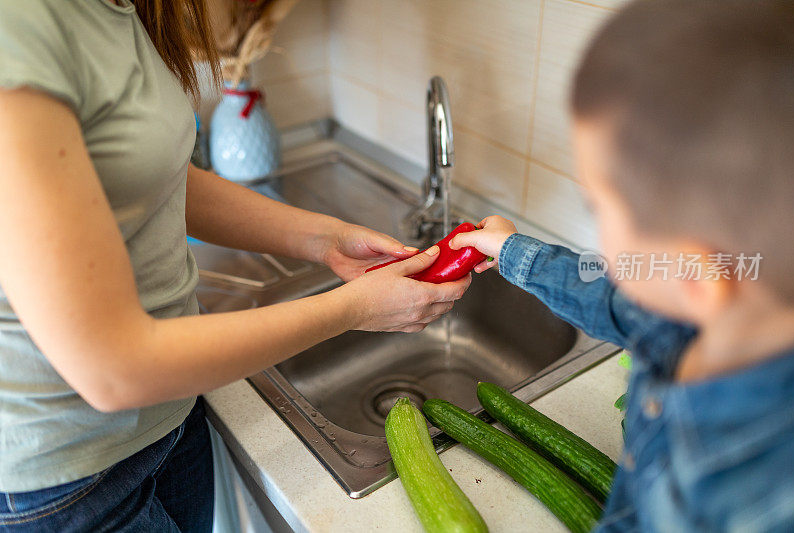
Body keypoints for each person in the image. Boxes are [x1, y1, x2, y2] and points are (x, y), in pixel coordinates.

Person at [0, 0, 470, 531]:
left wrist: (324, 238)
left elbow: (156, 175)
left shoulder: (119, 9)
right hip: (65, 476)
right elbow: (113, 369)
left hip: (169, 420)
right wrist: (349, 309)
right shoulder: (18, 28)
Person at [454, 0, 794, 530]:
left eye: (596, 206)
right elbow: (603, 291)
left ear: (693, 275)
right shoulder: (717, 306)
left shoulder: (754, 502)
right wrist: (511, 251)